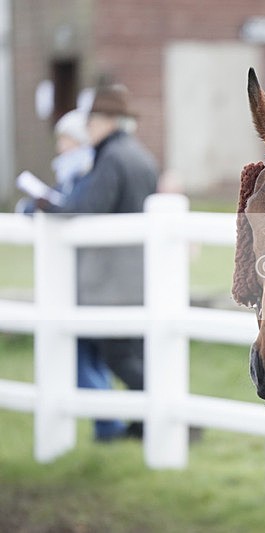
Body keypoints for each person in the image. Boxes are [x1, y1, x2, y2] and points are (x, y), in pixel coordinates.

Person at [37, 82, 159, 441]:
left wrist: (47, 205)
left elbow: (85, 208)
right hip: (137, 272)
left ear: (107, 121)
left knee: (120, 356)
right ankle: (144, 422)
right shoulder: (139, 155)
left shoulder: (111, 158)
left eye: (92, 121)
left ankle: (164, 422)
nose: (88, 128)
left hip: (112, 279)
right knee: (132, 353)